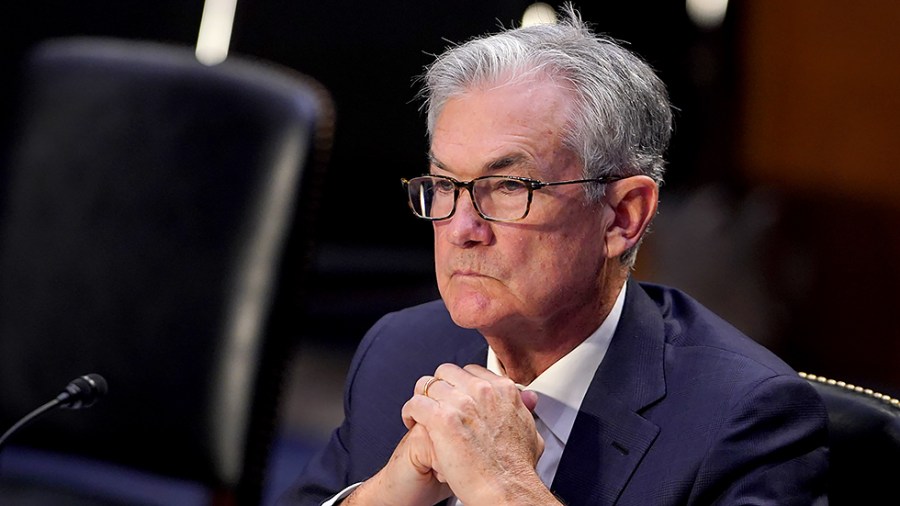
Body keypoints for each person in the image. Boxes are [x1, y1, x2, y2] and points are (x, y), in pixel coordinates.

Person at [280, 4, 829, 505]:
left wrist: (504, 486)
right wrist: (386, 493)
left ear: (622, 216)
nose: (461, 228)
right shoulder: (399, 351)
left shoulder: (745, 419)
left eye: (510, 186)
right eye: (445, 185)